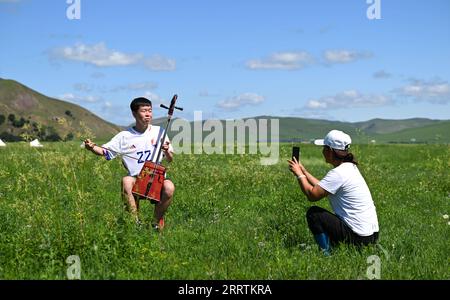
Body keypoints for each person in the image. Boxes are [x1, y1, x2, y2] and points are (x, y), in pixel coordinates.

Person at [84, 97, 175, 231]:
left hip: (157, 178)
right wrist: (92, 148)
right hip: (137, 178)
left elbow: (170, 159)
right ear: (134, 113)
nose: (148, 114)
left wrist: (167, 151)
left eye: (150, 110)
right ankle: (134, 223)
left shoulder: (160, 132)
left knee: (169, 187)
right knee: (126, 181)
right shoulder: (124, 136)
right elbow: (105, 151)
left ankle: (155, 222)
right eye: (144, 111)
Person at [288, 130, 379, 255]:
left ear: (330, 151)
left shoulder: (338, 173)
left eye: (324, 148)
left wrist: (299, 175)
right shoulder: (350, 168)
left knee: (314, 214)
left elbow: (312, 195)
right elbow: (323, 187)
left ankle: (326, 254)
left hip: (359, 238)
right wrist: (304, 171)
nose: (322, 151)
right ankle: (338, 247)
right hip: (371, 236)